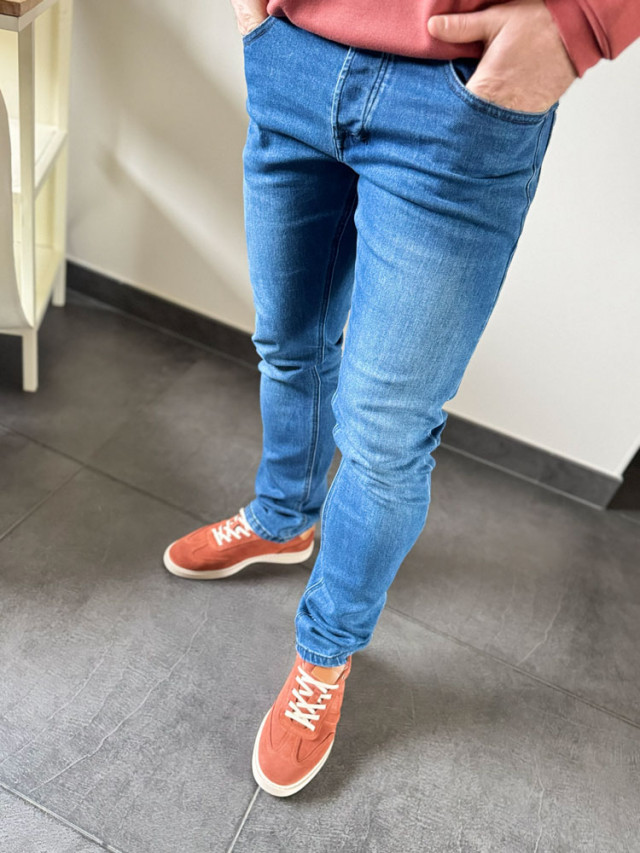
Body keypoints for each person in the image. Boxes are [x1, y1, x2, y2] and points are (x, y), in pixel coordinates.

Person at [163, 0, 640, 798]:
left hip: (456, 100)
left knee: (385, 434)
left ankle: (325, 651)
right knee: (289, 342)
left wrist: (581, 23)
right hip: (293, 55)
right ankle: (282, 519)